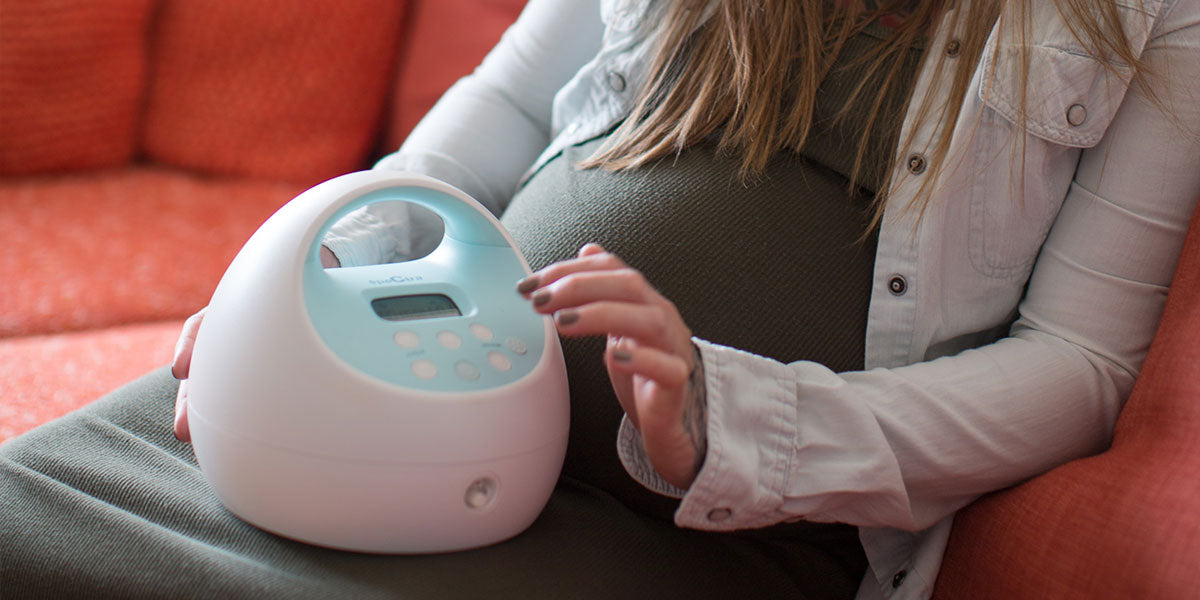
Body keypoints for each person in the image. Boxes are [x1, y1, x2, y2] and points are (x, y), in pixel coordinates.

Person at [5, 1, 1200, 599]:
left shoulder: (1155, 16)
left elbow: (1080, 365)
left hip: (686, 529)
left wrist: (730, 416)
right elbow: (494, 119)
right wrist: (307, 280)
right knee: (24, 518)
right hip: (389, 417)